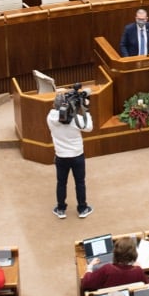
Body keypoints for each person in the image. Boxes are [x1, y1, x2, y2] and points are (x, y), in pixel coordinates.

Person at [49, 88, 93, 218]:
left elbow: (57, 111)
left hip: (61, 156)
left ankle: (61, 209)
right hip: (77, 156)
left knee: (61, 182)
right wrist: (85, 108)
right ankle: (82, 209)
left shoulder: (50, 118)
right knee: (80, 182)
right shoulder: (77, 120)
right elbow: (89, 127)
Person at [81, 236, 147, 291]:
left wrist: (90, 266)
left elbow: (86, 284)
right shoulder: (138, 271)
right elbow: (148, 286)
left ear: (115, 253)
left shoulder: (107, 269)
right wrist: (139, 268)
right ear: (134, 254)